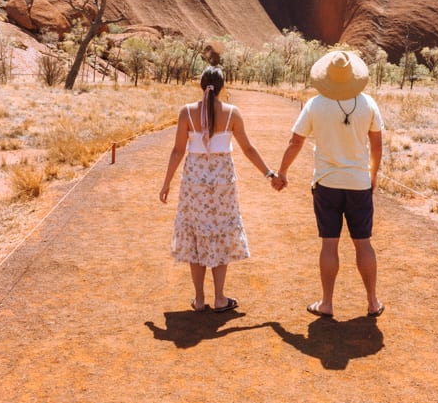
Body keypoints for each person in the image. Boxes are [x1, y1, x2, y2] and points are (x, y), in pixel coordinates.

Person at [273, 49, 384, 319]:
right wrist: (373, 175)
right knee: (363, 243)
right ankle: (372, 302)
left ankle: (327, 303)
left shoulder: (315, 105)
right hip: (358, 184)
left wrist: (282, 172)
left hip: (326, 184)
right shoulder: (368, 104)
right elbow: (377, 145)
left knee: (329, 244)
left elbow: (295, 142)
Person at [159, 65, 278, 312]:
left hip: (194, 182)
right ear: (223, 87)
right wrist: (268, 172)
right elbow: (248, 149)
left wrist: (166, 182)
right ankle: (220, 298)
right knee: (220, 232)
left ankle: (199, 299)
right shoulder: (232, 113)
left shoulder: (187, 113)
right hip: (222, 183)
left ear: (201, 85)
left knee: (195, 235)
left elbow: (178, 150)